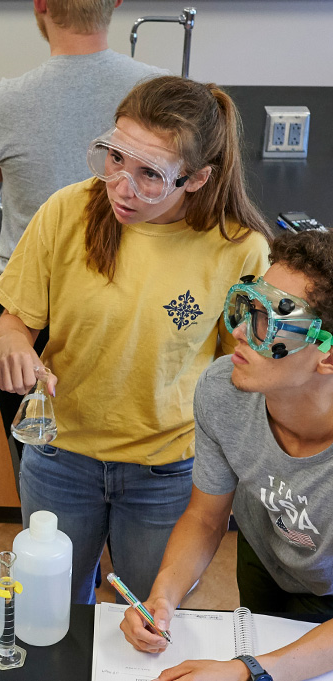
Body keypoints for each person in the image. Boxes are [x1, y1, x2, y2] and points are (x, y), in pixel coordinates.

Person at [0, 75, 273, 604]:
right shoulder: (67, 210)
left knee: (149, 610)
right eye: (115, 158)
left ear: (196, 178)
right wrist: (13, 344)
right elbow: (14, 321)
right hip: (60, 456)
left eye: (150, 175)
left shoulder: (239, 249)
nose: (121, 185)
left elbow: (240, 375)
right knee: (52, 609)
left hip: (167, 470)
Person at [119, 231, 333, 681]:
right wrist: (164, 595)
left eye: (268, 322)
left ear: (327, 356)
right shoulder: (224, 390)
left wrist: (246, 670)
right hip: (267, 548)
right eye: (246, 307)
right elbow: (205, 517)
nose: (237, 332)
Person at [0, 0, 165, 451]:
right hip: (124, 310)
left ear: (40, 5)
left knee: (38, 467)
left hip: (31, 308)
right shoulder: (161, 93)